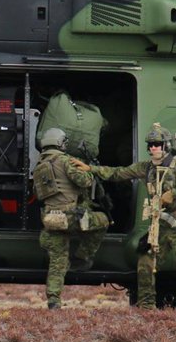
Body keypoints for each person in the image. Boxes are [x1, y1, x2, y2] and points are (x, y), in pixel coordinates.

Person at [88, 123, 176, 310]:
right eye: (150, 145)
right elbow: (117, 173)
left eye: (157, 144)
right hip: (159, 223)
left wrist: (175, 193)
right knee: (145, 262)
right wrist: (90, 169)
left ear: (166, 146)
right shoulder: (146, 168)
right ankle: (146, 306)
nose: (153, 148)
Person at [32, 127, 116, 310]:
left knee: (58, 261)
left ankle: (54, 300)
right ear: (61, 143)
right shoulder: (66, 161)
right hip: (71, 218)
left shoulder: (39, 167)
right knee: (102, 220)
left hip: (51, 221)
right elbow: (85, 181)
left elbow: (37, 194)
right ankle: (82, 258)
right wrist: (88, 170)